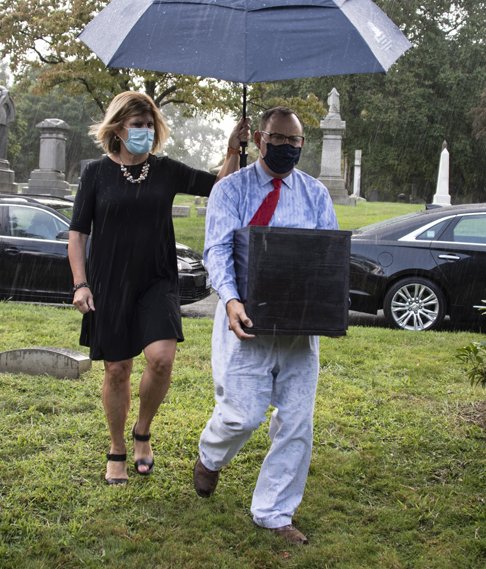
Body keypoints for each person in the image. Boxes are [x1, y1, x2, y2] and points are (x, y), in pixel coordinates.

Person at [68, 91, 249, 486]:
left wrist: (233, 147)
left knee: (162, 359)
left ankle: (142, 431)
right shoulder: (96, 173)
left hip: (157, 279)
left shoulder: (165, 170)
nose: (145, 132)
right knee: (117, 370)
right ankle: (117, 448)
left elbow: (220, 185)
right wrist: (80, 283)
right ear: (118, 128)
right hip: (109, 282)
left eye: (150, 125)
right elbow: (78, 234)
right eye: (138, 125)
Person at [193, 106, 337, 545]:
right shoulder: (230, 190)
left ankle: (274, 512)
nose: (285, 148)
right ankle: (210, 456)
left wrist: (326, 303)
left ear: (303, 145)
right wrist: (231, 299)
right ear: (258, 139)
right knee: (242, 415)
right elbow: (216, 251)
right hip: (246, 320)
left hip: (299, 327)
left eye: (293, 142)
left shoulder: (315, 194)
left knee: (296, 420)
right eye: (276, 139)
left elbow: (328, 256)